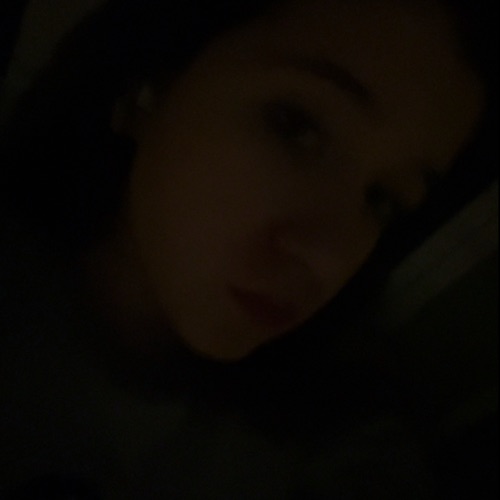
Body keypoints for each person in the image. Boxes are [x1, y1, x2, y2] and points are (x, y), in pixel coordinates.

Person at [0, 0, 497, 498]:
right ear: (151, 81)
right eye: (296, 127)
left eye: (383, 199)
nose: (329, 260)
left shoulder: (334, 438)